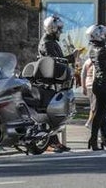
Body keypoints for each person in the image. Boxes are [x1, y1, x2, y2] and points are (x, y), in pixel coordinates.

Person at [35, 15, 78, 153]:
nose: (61, 31)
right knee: (50, 112)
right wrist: (71, 58)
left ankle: (54, 141)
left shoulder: (51, 41)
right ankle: (51, 142)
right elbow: (54, 61)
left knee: (52, 112)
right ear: (53, 28)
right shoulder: (47, 42)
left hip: (52, 81)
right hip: (47, 83)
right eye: (59, 29)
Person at [83, 24, 106, 151]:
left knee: (102, 114)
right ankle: (93, 141)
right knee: (100, 114)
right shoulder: (100, 50)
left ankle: (104, 141)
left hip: (101, 83)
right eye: (103, 35)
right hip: (103, 83)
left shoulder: (94, 48)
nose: (105, 37)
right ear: (97, 36)